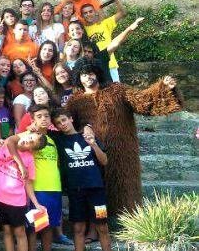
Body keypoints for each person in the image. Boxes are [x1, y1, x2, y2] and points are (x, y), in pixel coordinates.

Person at [65, 58, 182, 216]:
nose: (88, 77)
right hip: (92, 154)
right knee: (97, 192)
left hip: (123, 150)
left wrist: (164, 88)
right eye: (84, 75)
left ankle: (128, 223)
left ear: (97, 74)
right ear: (78, 78)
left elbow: (142, 100)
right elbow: (67, 125)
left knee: (124, 188)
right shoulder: (75, 102)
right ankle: (98, 225)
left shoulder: (117, 90)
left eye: (91, 73)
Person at [50, 108, 116, 251]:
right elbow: (41, 127)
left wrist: (93, 143)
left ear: (71, 119)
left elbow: (105, 161)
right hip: (75, 191)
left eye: (64, 120)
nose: (62, 125)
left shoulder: (86, 137)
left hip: (96, 189)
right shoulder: (58, 139)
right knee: (78, 229)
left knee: (102, 226)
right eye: (58, 123)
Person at [8, 105, 62, 251]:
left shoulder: (52, 141)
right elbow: (10, 142)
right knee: (34, 228)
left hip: (54, 189)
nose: (44, 119)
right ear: (33, 120)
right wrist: (21, 164)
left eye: (47, 116)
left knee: (49, 227)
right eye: (40, 116)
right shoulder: (28, 136)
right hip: (37, 189)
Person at [0, 133, 46, 251]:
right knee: (6, 232)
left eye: (31, 143)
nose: (27, 141)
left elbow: (28, 184)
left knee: (20, 233)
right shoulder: (6, 145)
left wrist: (36, 203)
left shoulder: (29, 158)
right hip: (0, 199)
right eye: (30, 137)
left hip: (17, 201)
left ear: (32, 149)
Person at [81, 0, 126, 82]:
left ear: (95, 12)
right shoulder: (82, 30)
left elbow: (122, 13)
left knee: (116, 92)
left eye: (90, 11)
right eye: (85, 13)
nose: (88, 14)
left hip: (110, 64)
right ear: (82, 16)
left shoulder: (105, 24)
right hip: (93, 68)